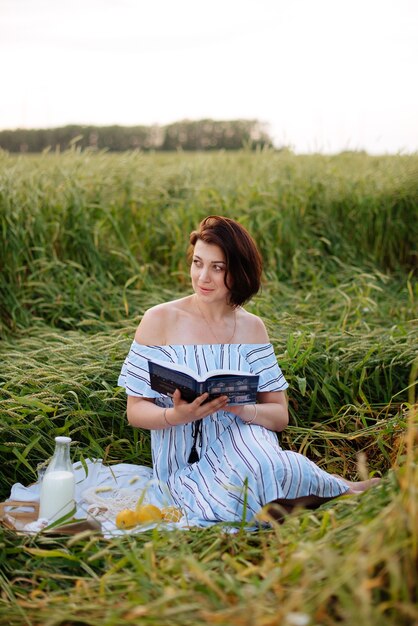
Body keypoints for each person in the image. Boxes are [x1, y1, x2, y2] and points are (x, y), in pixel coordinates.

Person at [118, 215, 379, 526]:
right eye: (198, 263)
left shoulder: (252, 328)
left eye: (218, 268)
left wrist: (242, 408)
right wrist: (175, 417)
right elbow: (135, 411)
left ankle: (333, 489)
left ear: (238, 272)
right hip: (185, 464)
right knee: (242, 494)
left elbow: (278, 416)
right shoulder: (159, 320)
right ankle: (335, 489)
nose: (203, 277)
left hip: (246, 441)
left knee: (260, 465)